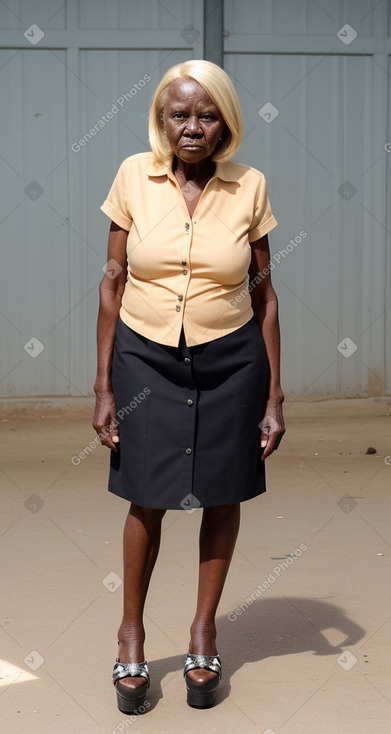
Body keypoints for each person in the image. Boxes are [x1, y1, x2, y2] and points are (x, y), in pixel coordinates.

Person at [93, 58, 285, 713]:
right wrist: (102, 387)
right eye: (179, 114)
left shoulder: (248, 185)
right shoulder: (132, 177)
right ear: (161, 118)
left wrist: (273, 396)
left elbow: (264, 293)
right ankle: (131, 632)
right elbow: (113, 280)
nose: (192, 127)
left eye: (206, 115)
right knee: (145, 493)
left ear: (225, 121)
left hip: (231, 361)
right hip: (144, 358)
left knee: (222, 490)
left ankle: (203, 629)